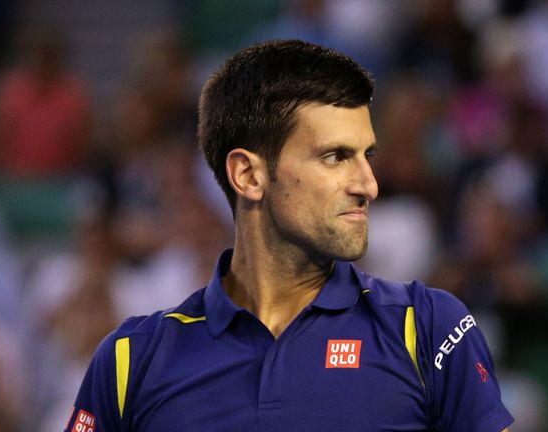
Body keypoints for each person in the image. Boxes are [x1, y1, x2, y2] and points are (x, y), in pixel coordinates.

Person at [67, 39, 514, 432]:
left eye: (367, 155)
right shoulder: (130, 362)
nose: (368, 184)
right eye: (336, 156)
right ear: (248, 175)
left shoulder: (431, 328)